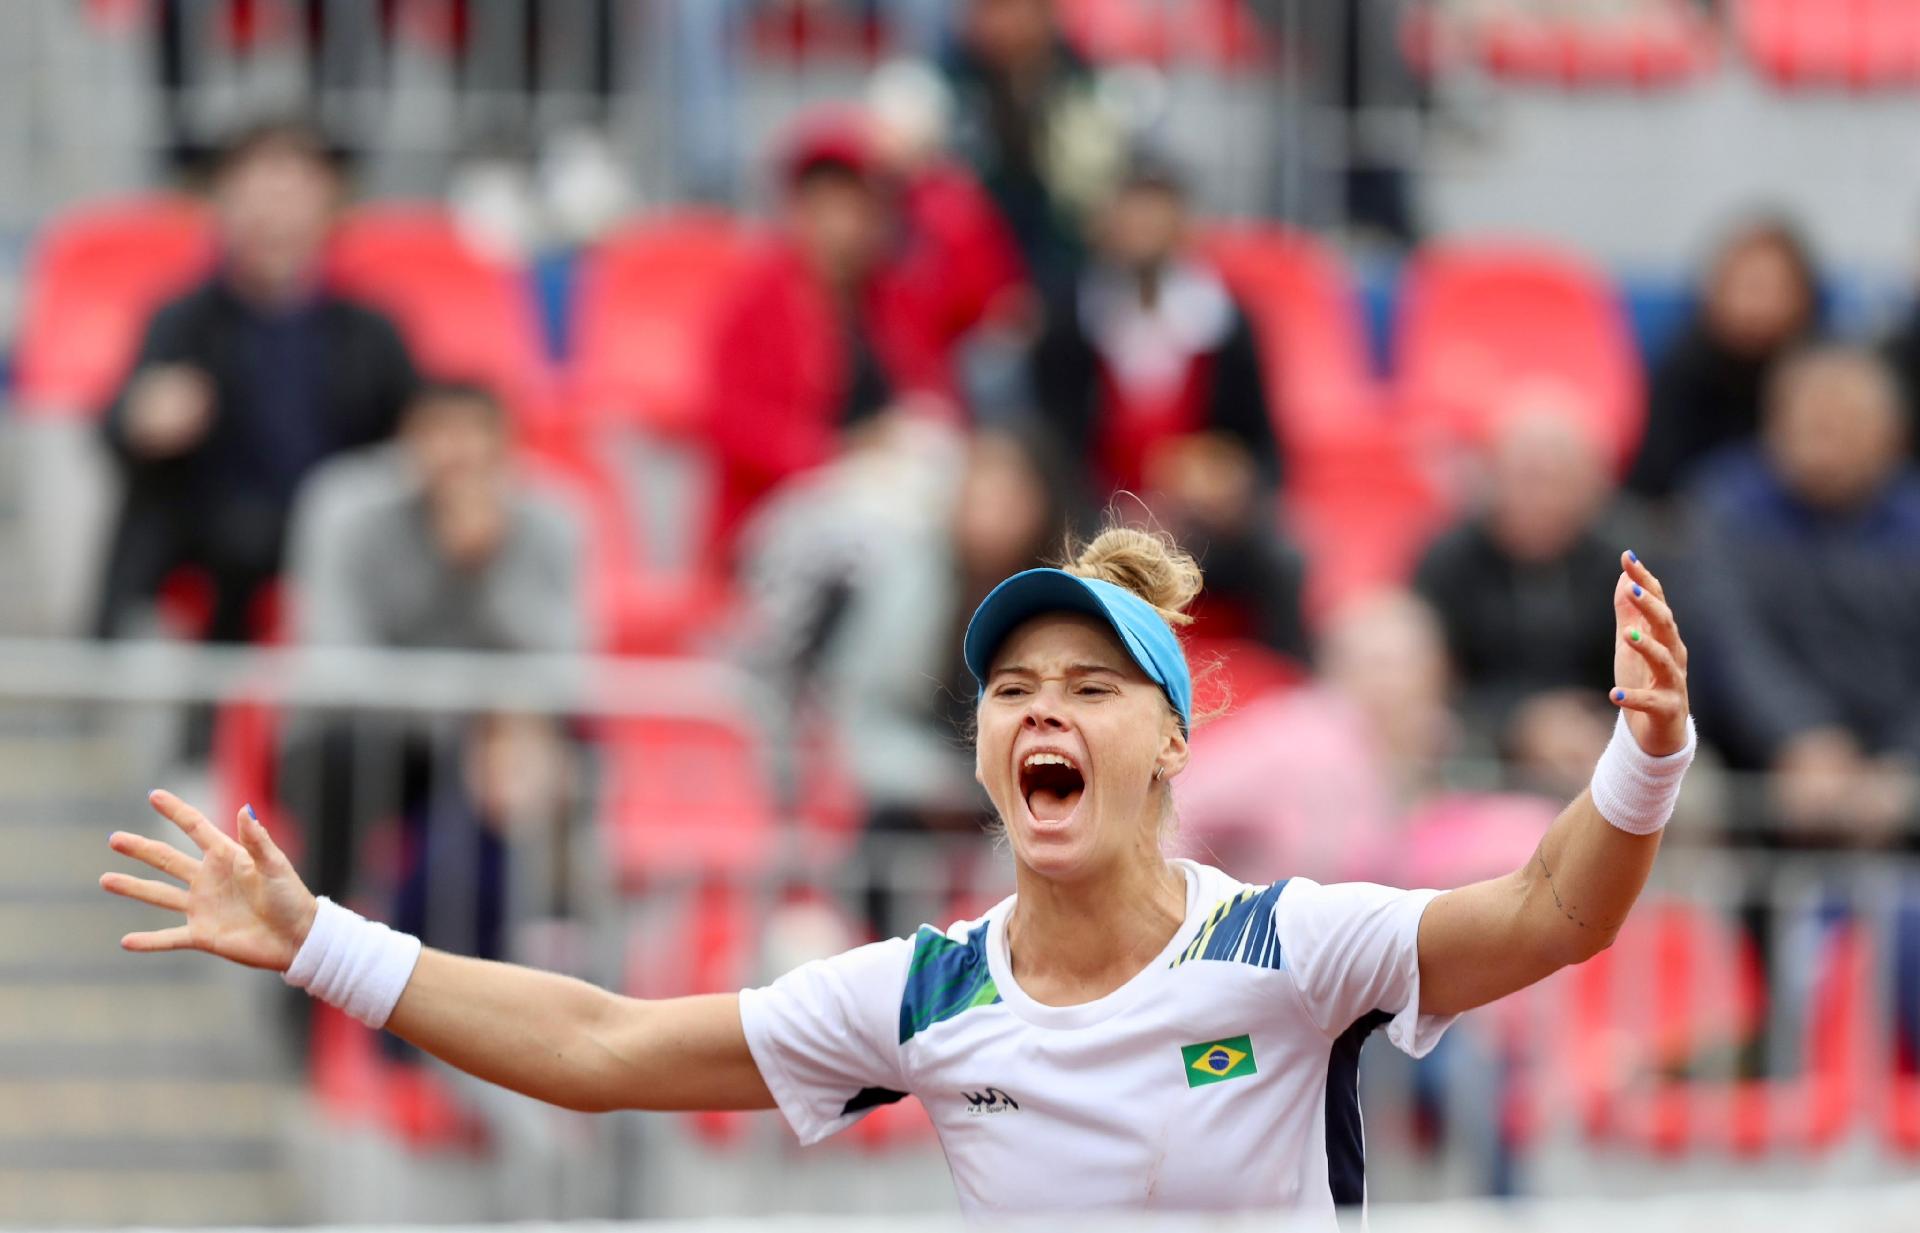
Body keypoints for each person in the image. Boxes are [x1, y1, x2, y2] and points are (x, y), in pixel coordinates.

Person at [102, 525, 1695, 1221]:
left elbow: (1558, 911)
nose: (1042, 713)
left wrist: (1644, 755)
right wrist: (321, 940)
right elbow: (596, 1050)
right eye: (1014, 691)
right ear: (989, 749)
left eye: (1089, 688)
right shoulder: (925, 993)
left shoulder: (1293, 943)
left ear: (1169, 746)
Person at [283, 382, 586, 959]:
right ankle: (311, 980)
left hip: (501, 749)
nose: (457, 454)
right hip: (373, 743)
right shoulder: (347, 509)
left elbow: (564, 665)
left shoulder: (553, 518)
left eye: (475, 434)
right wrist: (465, 718)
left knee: (537, 784)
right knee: (339, 770)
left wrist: (486, 568)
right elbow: (335, 660)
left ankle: (507, 989)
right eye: (439, 432)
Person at [95, 118, 418, 645]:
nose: (274, 216)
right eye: (256, 196)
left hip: (334, 535)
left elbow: (413, 429)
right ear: (223, 207)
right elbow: (117, 426)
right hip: (209, 535)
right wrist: (143, 417)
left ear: (330, 206)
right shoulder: (183, 320)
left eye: (293, 196)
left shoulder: (370, 330)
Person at [1031, 152, 1306, 658]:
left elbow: (1266, 449)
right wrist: (1108, 512)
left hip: (1204, 529)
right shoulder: (1068, 320)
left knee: (1283, 557)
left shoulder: (1227, 322)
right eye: (1132, 211)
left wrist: (1236, 484)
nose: (1144, 228)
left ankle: (1287, 693)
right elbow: (1049, 447)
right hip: (1095, 518)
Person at [1685, 345, 1920, 845]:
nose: (1822, 441)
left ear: (1891, 436)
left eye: (1844, 424)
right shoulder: (1727, 506)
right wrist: (1800, 736)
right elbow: (1727, 639)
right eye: (1808, 422)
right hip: (1752, 760)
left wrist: (1902, 761)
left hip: (1895, 766)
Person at [705, 108, 958, 549]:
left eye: (855, 208)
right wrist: (835, 453)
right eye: (823, 205)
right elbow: (727, 422)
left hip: (892, 492)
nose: (840, 226)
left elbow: (934, 391)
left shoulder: (893, 299)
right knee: (897, 556)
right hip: (782, 512)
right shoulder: (759, 301)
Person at [1414, 413, 1625, 793]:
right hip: (1482, 741)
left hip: (1606, 734)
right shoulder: (1447, 561)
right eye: (1527, 477)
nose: (1540, 496)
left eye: (1557, 479)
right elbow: (1431, 685)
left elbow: (1665, 673)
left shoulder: (1627, 560)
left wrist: (1599, 725)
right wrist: (1520, 723)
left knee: (1688, 787)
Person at [1626, 214, 1822, 501]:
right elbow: (1656, 479)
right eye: (1748, 286)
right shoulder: (1680, 372)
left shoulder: (1821, 373)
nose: (1757, 305)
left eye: (1773, 288)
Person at [939, 0, 1124, 293]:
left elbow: (1093, 202)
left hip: (1064, 268)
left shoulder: (1085, 87)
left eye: (1006, 8)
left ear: (1044, 14)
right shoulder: (947, 83)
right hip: (971, 275)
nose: (996, 24)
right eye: (984, 9)